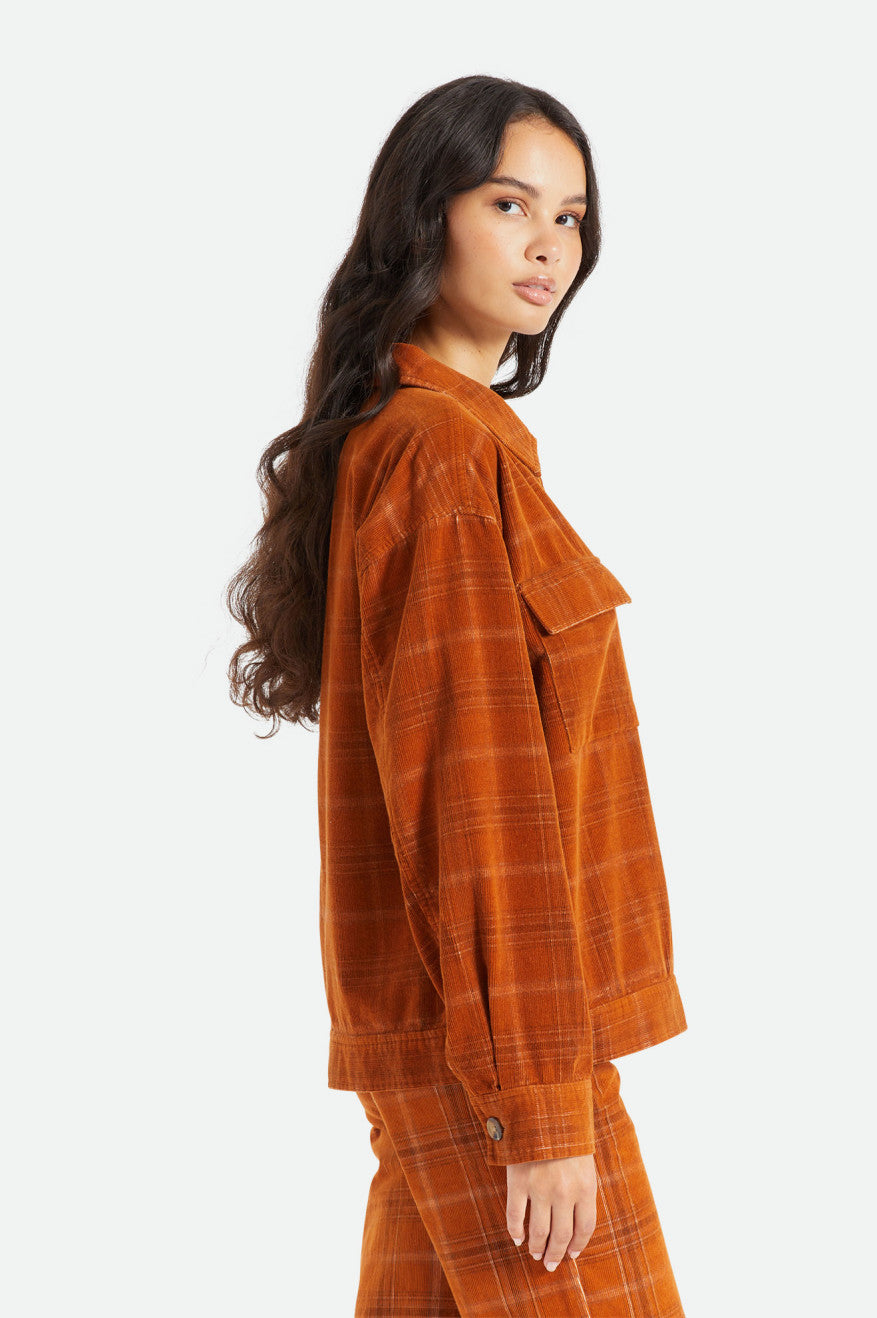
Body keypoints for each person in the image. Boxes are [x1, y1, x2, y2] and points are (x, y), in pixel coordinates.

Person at [226, 73, 689, 1317]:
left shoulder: (434, 440)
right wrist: (539, 1105)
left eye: (571, 216)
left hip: (459, 1051)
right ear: (423, 214)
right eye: (509, 203)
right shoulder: (437, 456)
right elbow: (477, 801)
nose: (550, 246)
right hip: (498, 1067)